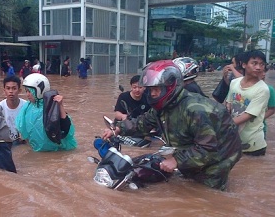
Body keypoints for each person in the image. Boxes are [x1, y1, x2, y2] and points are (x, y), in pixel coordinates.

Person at [102, 60, 242, 190]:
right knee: (184, 178)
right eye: (150, 90)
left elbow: (208, 148)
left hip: (221, 153)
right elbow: (143, 122)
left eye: (157, 89)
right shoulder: (162, 106)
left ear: (170, 87)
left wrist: (176, 160)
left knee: (203, 192)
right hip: (194, 147)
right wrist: (118, 129)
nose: (153, 94)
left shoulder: (195, 109)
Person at [15, 73, 77, 151]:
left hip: (56, 152)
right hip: (37, 152)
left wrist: (60, 106)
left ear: (39, 90)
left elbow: (66, 127)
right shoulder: (27, 107)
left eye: (30, 91)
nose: (27, 95)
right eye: (26, 91)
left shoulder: (52, 105)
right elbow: (23, 130)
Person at [226, 50, 269, 156]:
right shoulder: (234, 83)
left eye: (262, 64)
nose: (258, 67)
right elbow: (228, 105)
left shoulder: (263, 89)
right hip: (234, 141)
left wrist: (223, 125)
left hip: (253, 145)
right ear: (244, 64)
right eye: (254, 63)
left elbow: (248, 115)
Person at [0, 76, 27, 146]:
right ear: (4, 90)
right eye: (8, 88)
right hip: (6, 142)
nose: (11, 91)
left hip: (22, 142)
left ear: (19, 90)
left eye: (14, 88)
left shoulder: (26, 106)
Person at [261, 67, 275, 139]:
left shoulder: (269, 89)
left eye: (264, 72)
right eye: (261, 71)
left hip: (260, 128)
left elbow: (272, 109)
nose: (263, 74)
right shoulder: (238, 85)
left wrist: (260, 118)